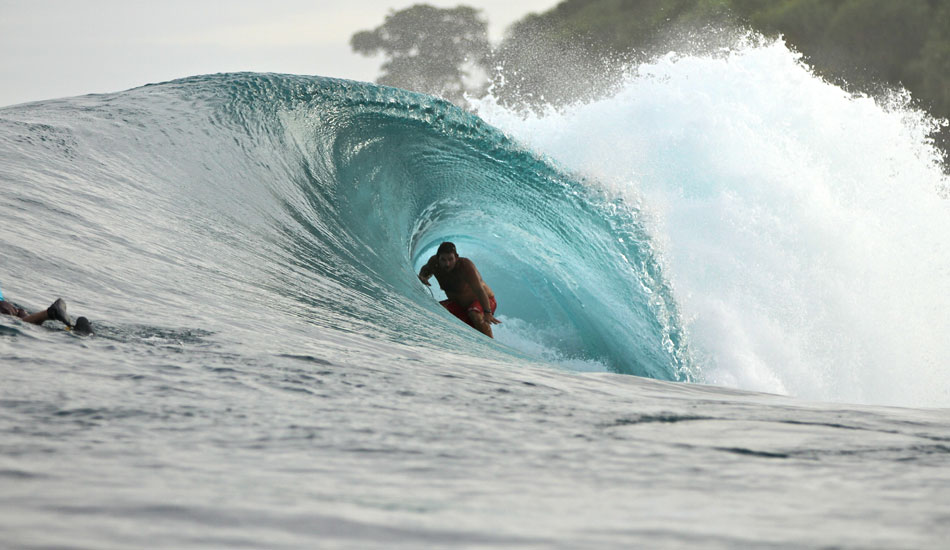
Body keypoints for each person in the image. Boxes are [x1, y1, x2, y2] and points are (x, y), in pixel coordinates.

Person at [417, 241, 501, 338]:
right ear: (437, 258)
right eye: (443, 260)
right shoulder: (434, 263)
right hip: (460, 306)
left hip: (484, 302)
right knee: (437, 310)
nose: (447, 263)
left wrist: (487, 313)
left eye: (450, 259)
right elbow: (425, 270)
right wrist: (423, 277)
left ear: (456, 257)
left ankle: (490, 345)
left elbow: (479, 290)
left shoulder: (466, 267)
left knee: (474, 313)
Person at [0, 282, 92, 334]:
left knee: (22, 323)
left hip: (3, 307)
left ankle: (51, 312)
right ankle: (71, 327)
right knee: (28, 321)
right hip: (9, 306)